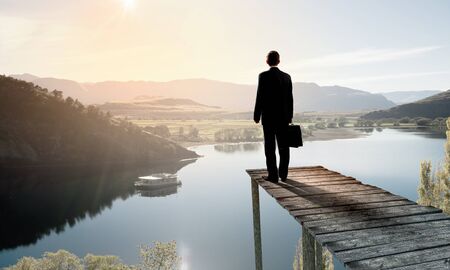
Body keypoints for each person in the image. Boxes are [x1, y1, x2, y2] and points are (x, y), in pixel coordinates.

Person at [253, 50, 293, 183]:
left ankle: (273, 176)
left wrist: (257, 115)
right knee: (284, 146)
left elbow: (260, 96)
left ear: (267, 61)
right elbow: (290, 99)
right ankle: (283, 174)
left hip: (269, 118)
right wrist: (290, 116)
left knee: (270, 148)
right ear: (279, 61)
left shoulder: (263, 76)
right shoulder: (287, 77)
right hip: (283, 118)